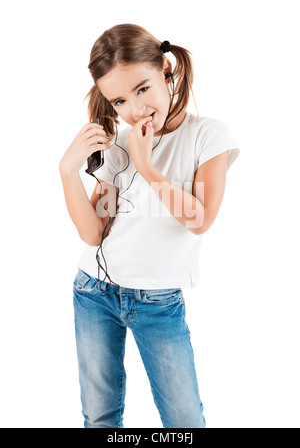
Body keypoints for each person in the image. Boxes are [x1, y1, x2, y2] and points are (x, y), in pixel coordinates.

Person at [59, 23, 240, 429]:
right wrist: (68, 171)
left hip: (157, 302)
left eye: (143, 89)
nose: (135, 109)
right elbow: (93, 233)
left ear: (167, 71)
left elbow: (200, 219)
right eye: (120, 100)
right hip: (94, 291)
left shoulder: (207, 135)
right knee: (100, 417)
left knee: (184, 420)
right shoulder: (118, 144)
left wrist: (146, 164)